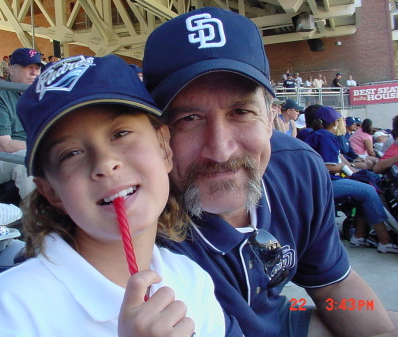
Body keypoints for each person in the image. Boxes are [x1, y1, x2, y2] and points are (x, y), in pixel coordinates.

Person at [142, 7, 398, 337]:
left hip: (280, 314)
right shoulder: (139, 214)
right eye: (188, 119)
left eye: (240, 111)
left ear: (272, 117)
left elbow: (335, 290)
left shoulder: (297, 168)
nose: (220, 150)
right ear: (157, 133)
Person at [0, 54, 228, 337]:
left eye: (121, 133)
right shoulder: (13, 306)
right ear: (51, 192)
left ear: (164, 147)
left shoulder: (192, 279)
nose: (104, 163)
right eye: (72, 153)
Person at [305, 106, 398, 254]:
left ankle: (359, 236)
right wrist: (348, 168)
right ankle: (385, 241)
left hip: (320, 182)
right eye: (339, 120)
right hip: (322, 185)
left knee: (364, 188)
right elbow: (329, 166)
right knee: (368, 190)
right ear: (334, 122)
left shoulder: (321, 134)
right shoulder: (325, 136)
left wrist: (352, 168)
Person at [0, 48, 43, 199]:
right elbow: (4, 146)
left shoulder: (39, 97)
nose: (34, 72)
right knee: (27, 162)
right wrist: (46, 147)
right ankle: (39, 219)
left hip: (36, 151)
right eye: (28, 67)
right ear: (11, 69)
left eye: (37, 68)